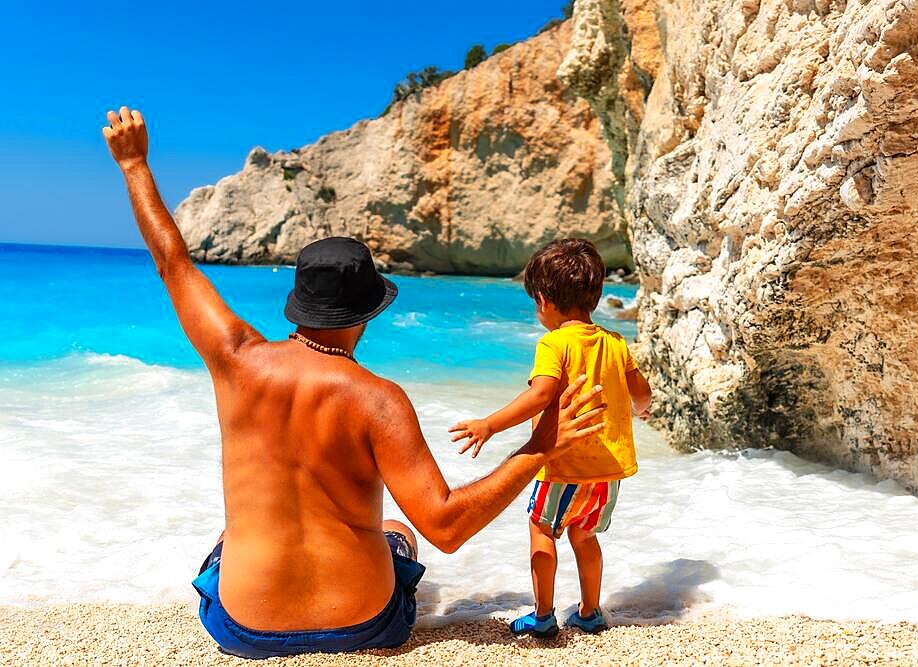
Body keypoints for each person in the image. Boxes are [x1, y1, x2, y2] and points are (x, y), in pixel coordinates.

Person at [102, 106, 607, 659]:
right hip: (366, 624)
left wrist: (134, 165)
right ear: (366, 314)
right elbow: (445, 527)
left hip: (244, 629)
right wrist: (537, 449)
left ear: (299, 304)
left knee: (229, 543)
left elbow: (174, 264)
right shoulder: (378, 399)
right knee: (399, 531)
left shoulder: (236, 358)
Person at [449, 239, 652, 637]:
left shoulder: (553, 343)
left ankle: (542, 617)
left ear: (543, 300)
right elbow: (641, 394)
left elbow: (540, 394)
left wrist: (489, 425)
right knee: (585, 535)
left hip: (563, 466)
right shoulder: (615, 342)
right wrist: (640, 411)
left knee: (543, 530)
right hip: (607, 469)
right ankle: (590, 613)